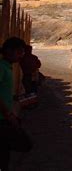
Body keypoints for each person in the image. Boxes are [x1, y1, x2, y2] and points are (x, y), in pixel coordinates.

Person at [0, 37, 33, 170]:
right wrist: (9, 114)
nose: (21, 55)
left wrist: (15, 98)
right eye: (19, 52)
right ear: (9, 51)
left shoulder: (7, 67)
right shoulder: (2, 67)